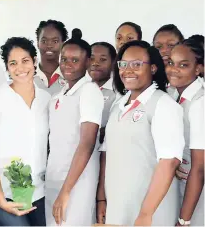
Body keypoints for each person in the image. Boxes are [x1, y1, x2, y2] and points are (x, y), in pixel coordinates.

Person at [100, 40, 185, 226]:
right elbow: (108, 154)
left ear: (153, 68)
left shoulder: (163, 105)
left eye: (137, 64)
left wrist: (146, 213)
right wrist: (101, 199)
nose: (128, 70)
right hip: (118, 207)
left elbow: (169, 162)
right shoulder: (119, 105)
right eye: (123, 64)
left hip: (150, 212)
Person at [0, 37, 50, 226]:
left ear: (35, 61)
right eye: (13, 63)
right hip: (0, 193)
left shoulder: (46, 99)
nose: (20, 68)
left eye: (25, 61)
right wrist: (1, 199)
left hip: (38, 191)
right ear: (7, 68)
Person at [45, 28, 104, 226]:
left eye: (75, 60)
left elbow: (87, 143)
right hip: (55, 177)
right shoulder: (60, 94)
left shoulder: (89, 91)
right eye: (64, 59)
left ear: (88, 62)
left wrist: (66, 191)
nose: (67, 65)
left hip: (76, 182)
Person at [166, 38, 204, 226]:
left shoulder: (200, 102)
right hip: (180, 184)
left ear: (198, 69)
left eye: (183, 65)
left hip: (197, 191)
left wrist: (184, 220)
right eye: (171, 63)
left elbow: (200, 168)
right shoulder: (173, 94)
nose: (174, 69)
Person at [86, 42, 121, 223]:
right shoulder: (82, 88)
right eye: (92, 58)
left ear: (114, 62)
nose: (96, 63)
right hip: (83, 163)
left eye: (103, 59)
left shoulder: (119, 93)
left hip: (107, 164)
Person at [34, 19, 68, 95]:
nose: (49, 45)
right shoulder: (27, 76)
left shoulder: (71, 77)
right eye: (44, 41)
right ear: (37, 43)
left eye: (55, 41)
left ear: (63, 44)